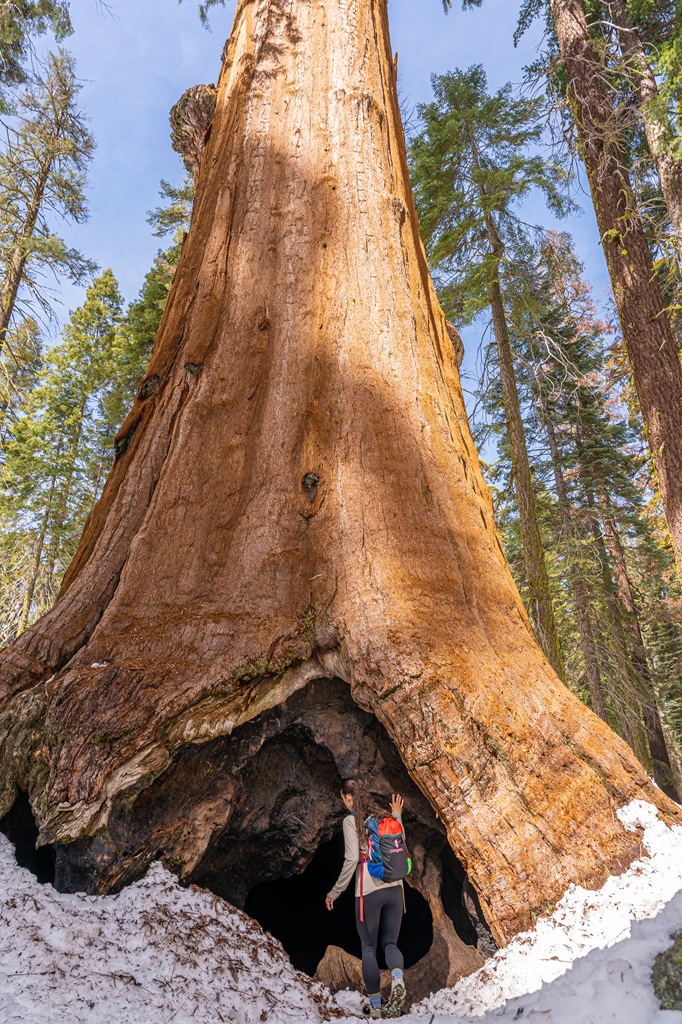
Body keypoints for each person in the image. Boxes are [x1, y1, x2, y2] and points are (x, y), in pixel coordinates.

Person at [325, 779, 407, 1019]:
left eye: (344, 799)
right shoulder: (384, 817)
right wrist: (397, 814)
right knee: (391, 944)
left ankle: (376, 1009)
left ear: (350, 798)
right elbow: (399, 844)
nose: (345, 804)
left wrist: (335, 891)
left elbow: (351, 859)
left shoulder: (351, 821)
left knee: (369, 948)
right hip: (395, 888)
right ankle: (398, 981)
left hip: (369, 890)